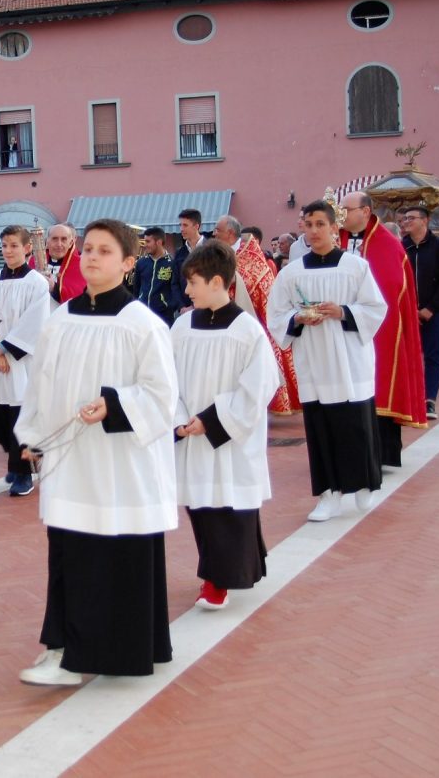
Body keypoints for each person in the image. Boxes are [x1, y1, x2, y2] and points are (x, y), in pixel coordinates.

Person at [15, 218, 179, 686]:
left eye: (105, 251)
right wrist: (31, 436)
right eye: (88, 249)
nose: (91, 257)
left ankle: (124, 649)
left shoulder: (142, 324)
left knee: (120, 553)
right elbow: (40, 385)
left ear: (128, 263)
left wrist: (115, 404)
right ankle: (63, 651)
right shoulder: (60, 320)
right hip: (71, 460)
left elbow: (163, 395)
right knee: (69, 553)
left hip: (120, 462)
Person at [172, 241, 278, 611]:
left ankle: (217, 581)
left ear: (217, 282)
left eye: (193, 282)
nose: (187, 291)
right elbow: (165, 379)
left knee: (229, 510)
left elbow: (260, 385)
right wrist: (179, 419)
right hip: (191, 434)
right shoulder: (182, 326)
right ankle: (226, 571)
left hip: (229, 437)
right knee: (201, 508)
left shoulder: (247, 330)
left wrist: (212, 419)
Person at [267, 200, 387, 522]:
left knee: (356, 424)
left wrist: (343, 311)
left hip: (349, 358)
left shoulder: (355, 267)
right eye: (308, 225)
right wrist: (298, 317)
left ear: (335, 228)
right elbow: (276, 315)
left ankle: (364, 484)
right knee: (321, 428)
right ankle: (328, 494)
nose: (314, 231)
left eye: (321, 224)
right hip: (315, 360)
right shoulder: (291, 273)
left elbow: (375, 308)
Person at [341, 192, 425, 465]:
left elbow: (390, 288)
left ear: (365, 211)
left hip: (378, 330)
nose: (341, 215)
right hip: (340, 329)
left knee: (379, 383)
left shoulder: (386, 244)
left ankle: (380, 454)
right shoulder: (336, 240)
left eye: (346, 209)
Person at [0, 224, 51, 497]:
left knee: (19, 413)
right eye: (5, 245)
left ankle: (22, 474)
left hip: (21, 359)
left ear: (27, 248)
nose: (8, 251)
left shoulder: (37, 283)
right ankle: (19, 454)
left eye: (14, 245)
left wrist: (5, 349)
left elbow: (35, 322)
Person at [215, 215, 301, 416]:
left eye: (218, 230)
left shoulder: (252, 258)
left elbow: (262, 289)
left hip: (255, 319)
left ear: (230, 233)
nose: (214, 233)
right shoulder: (219, 254)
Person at [400, 206, 439, 420]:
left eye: (411, 218)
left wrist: (430, 308)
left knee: (433, 356)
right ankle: (410, 399)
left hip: (436, 312)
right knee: (408, 357)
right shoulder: (401, 247)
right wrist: (409, 309)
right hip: (407, 312)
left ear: (425, 220)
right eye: (405, 218)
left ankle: (429, 400)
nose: (406, 221)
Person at [133, 227, 177, 324]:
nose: (145, 245)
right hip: (142, 314)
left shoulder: (172, 263)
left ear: (159, 242)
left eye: (148, 241)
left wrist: (169, 306)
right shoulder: (141, 262)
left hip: (164, 316)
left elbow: (175, 288)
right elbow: (136, 288)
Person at [39, 223, 85, 304]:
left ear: (70, 243)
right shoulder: (35, 260)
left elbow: (79, 296)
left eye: (64, 239)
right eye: (54, 239)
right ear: (47, 241)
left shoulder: (80, 265)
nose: (59, 244)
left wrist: (54, 287)